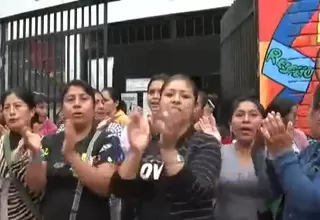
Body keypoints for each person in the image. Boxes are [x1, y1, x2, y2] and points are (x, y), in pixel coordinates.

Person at [111, 74, 221, 220]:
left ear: (195, 106)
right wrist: (135, 152)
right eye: (169, 94)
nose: (176, 100)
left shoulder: (206, 143)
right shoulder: (148, 142)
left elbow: (197, 192)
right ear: (160, 102)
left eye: (185, 96)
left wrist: (168, 150)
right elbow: (121, 190)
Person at [24, 80, 124, 220]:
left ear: (94, 105)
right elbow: (35, 186)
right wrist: (35, 154)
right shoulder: (49, 141)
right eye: (70, 99)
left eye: (84, 99)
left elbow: (105, 186)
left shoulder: (107, 139)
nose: (77, 104)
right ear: (63, 108)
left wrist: (71, 155)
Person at [263, 85, 320, 220]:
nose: (305, 115)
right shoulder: (311, 150)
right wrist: (272, 154)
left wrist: (284, 154)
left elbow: (310, 205)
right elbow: (281, 188)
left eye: (310, 107)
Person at [214, 97, 273, 220]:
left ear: (263, 122)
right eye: (239, 115)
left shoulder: (274, 155)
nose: (246, 120)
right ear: (230, 124)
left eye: (253, 115)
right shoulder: (217, 153)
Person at [0, 87, 42, 220]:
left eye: (17, 106)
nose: (11, 112)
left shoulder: (43, 144)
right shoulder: (1, 143)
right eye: (6, 108)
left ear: (32, 111)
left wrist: (35, 153)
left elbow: (40, 189)